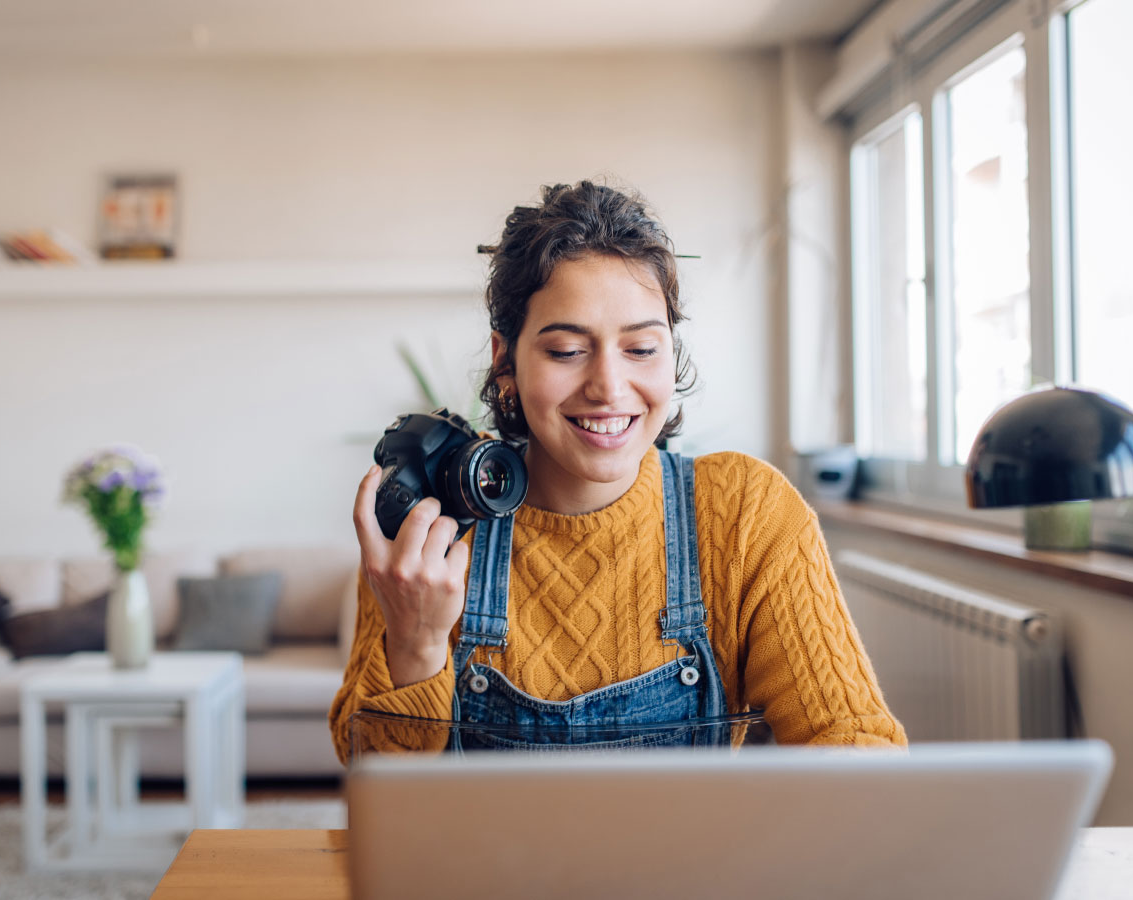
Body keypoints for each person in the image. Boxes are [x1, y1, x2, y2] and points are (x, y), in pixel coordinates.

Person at [330, 180, 905, 763]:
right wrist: (417, 643)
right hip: (485, 859)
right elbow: (381, 796)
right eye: (566, 350)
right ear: (506, 360)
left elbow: (858, 753)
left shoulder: (745, 514)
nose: (608, 388)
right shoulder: (436, 520)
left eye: (641, 348)